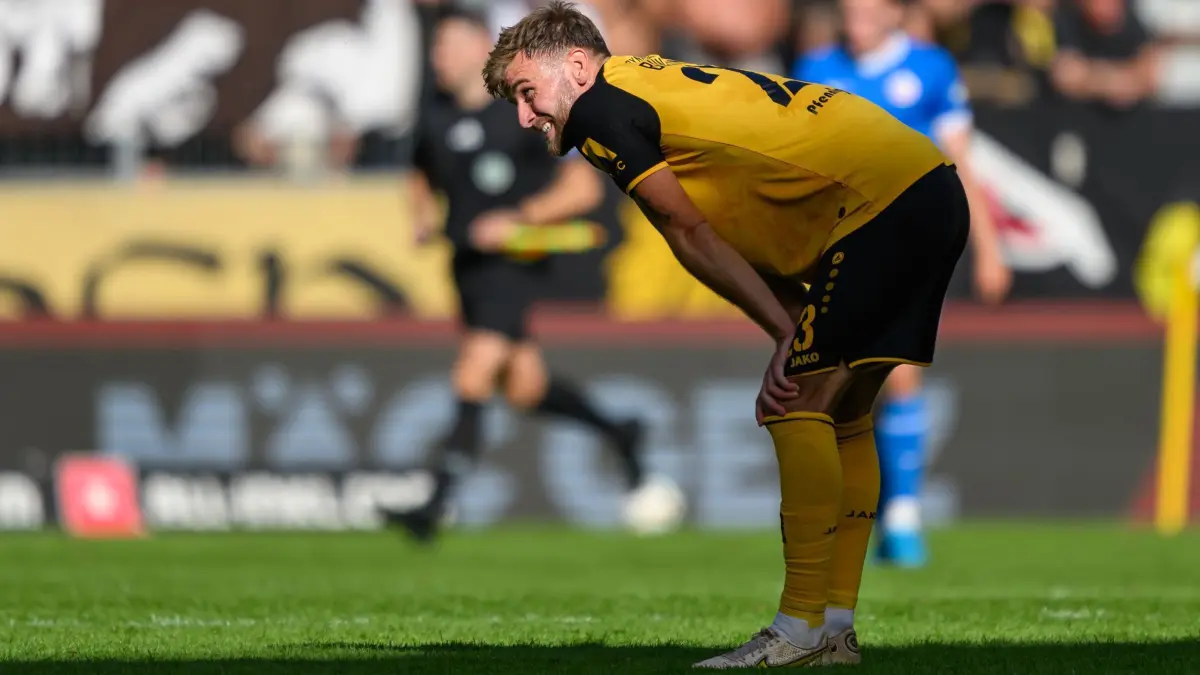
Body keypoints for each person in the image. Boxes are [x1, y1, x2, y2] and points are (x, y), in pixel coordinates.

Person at [484, 1, 969, 667]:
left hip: (878, 205)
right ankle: (833, 629)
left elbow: (689, 231)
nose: (524, 116)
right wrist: (789, 325)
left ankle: (798, 631)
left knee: (793, 401)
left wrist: (782, 332)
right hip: (923, 186)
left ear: (575, 65)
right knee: (847, 412)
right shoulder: (644, 79)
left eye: (525, 92)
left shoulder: (600, 109)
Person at [384, 7, 665, 544]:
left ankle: (437, 503)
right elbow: (420, 172)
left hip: (513, 265)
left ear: (477, 49)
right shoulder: (434, 115)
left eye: (448, 46)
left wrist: (519, 219)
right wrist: (422, 217)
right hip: (466, 267)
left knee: (473, 371)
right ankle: (620, 431)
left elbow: (580, 190)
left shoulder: (520, 112)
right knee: (525, 388)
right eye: (435, 47)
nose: (437, 57)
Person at [792, 0, 1012, 569]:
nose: (856, 16)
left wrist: (988, 248)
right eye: (849, 7)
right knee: (838, 384)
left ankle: (904, 517)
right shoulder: (816, 69)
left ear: (895, 12)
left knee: (902, 375)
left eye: (869, 7)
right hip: (837, 240)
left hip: (912, 234)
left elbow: (961, 160)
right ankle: (855, 513)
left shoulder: (933, 69)